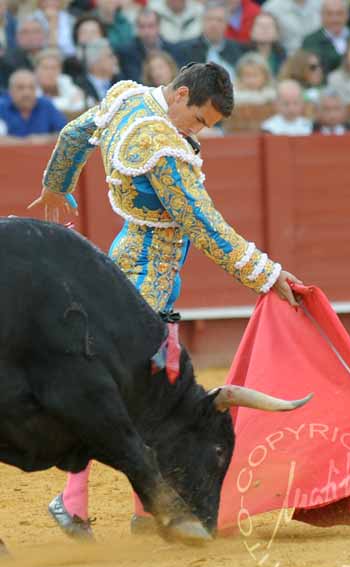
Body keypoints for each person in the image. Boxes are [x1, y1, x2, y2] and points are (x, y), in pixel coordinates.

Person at [28, 62, 301, 538]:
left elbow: (75, 133)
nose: (197, 132)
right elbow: (203, 223)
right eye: (198, 120)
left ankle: (141, 509)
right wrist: (266, 273)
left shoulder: (126, 97)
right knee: (126, 389)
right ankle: (72, 501)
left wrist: (57, 183)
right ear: (179, 95)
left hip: (133, 259)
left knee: (150, 384)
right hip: (147, 274)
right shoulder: (160, 147)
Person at [0, 68, 66, 144]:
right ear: (10, 91)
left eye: (31, 87)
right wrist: (25, 143)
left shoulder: (46, 105)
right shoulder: (2, 107)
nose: (27, 93)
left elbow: (66, 134)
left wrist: (46, 139)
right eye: (20, 88)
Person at [117, 8, 184, 83]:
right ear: (137, 28)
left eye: (150, 26)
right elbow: (133, 81)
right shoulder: (127, 52)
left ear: (159, 27)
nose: (146, 31)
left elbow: (180, 77)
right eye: (142, 26)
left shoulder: (174, 50)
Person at [302, 0, 350, 78]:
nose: (335, 19)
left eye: (339, 13)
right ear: (321, 15)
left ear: (348, 15)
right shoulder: (311, 41)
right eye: (329, 14)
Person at [35, 47, 85, 113]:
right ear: (36, 70)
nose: (50, 72)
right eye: (45, 68)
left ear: (60, 70)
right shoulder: (29, 86)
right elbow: (42, 106)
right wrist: (69, 102)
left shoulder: (65, 80)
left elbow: (81, 103)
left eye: (54, 68)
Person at [248, 12, 286, 78]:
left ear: (277, 33)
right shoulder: (240, 53)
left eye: (269, 26)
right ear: (251, 31)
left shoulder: (282, 56)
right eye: (260, 25)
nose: (264, 29)